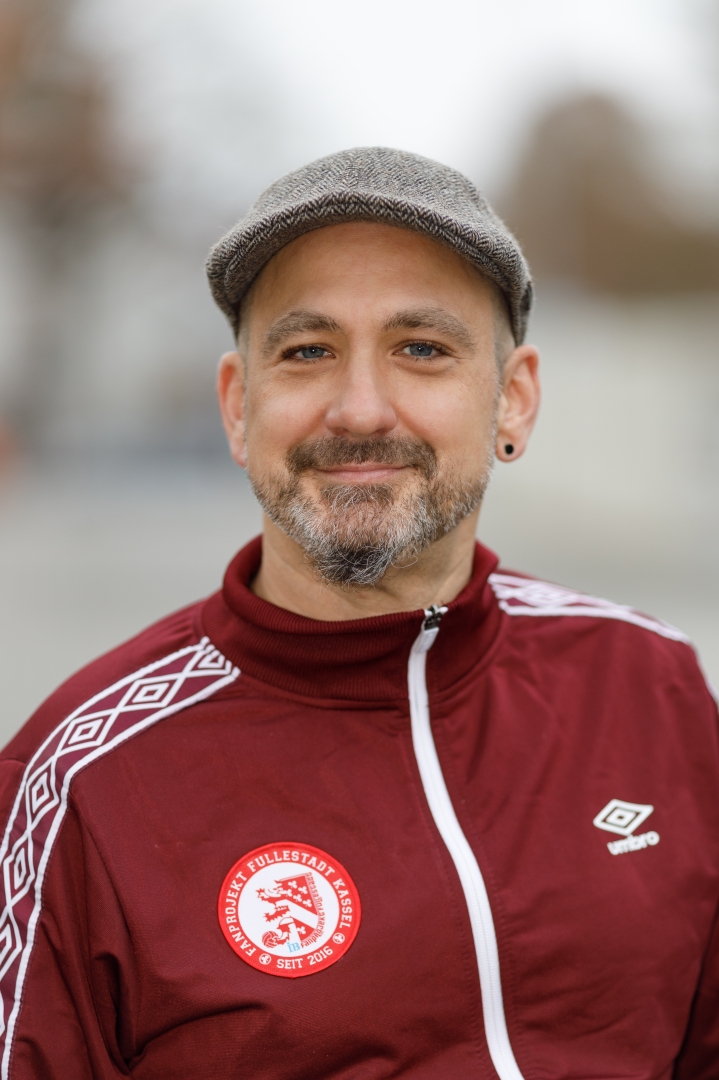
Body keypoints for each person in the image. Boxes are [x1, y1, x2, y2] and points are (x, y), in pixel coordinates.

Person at [0, 147, 717, 1080]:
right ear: (237, 406)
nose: (361, 409)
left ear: (512, 401)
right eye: (308, 351)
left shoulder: (649, 683)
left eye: (421, 349)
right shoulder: (77, 783)